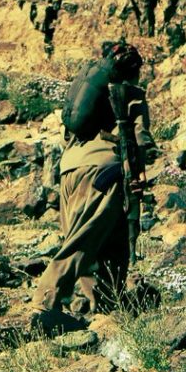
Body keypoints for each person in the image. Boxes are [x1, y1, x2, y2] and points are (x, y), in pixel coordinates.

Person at [32, 41, 156, 322]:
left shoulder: (85, 96)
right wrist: (140, 173)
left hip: (69, 170)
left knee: (107, 239)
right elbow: (140, 139)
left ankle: (105, 305)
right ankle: (45, 302)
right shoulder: (132, 95)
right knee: (83, 241)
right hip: (104, 173)